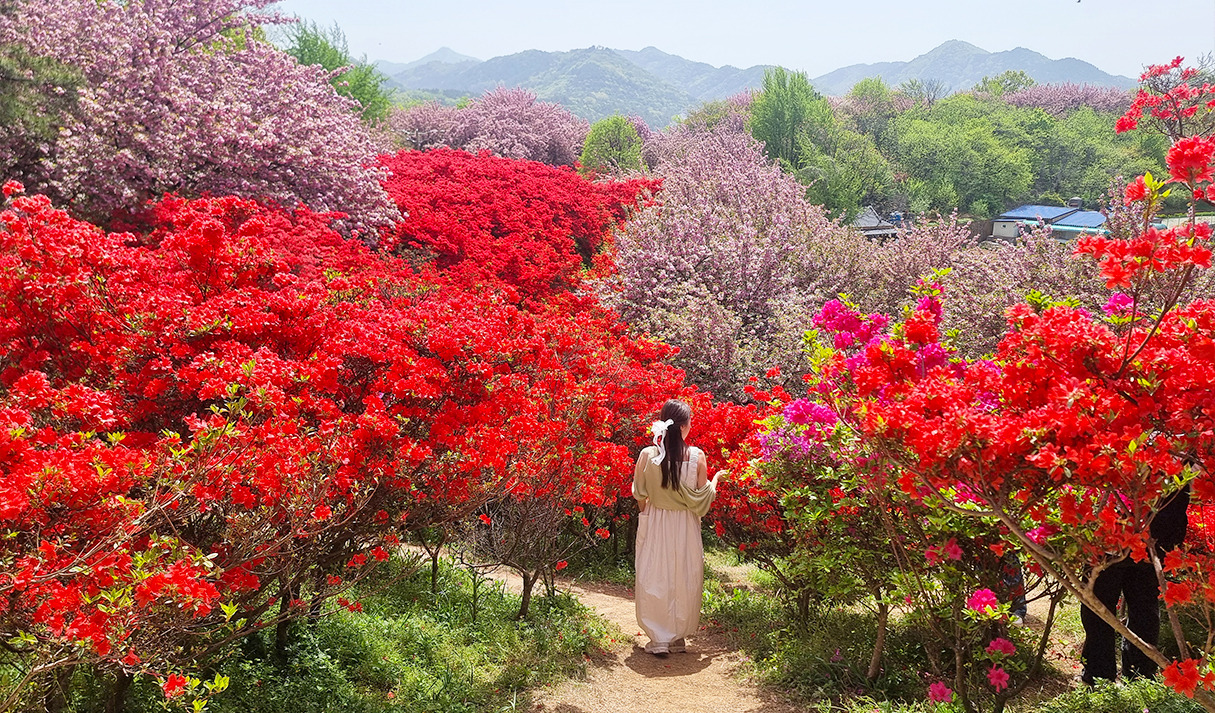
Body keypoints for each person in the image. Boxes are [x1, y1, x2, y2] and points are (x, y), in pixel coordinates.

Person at [632, 399, 723, 656]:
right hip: (685, 524)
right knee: (684, 575)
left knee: (654, 575)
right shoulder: (697, 456)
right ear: (684, 426)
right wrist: (716, 479)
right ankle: (678, 635)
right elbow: (701, 499)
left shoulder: (648, 455)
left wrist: (647, 515)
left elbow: (640, 493)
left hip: (657, 518)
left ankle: (659, 638)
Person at [1080, 485, 1189, 684]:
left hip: (1117, 536)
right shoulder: (1181, 455)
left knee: (1100, 605)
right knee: (1143, 607)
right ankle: (1139, 675)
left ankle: (1100, 675)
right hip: (1152, 538)